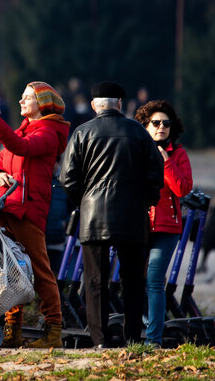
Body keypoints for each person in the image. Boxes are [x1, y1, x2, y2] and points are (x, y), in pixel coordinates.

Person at [59, 81, 164, 347]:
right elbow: (156, 173)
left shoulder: (82, 133)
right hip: (132, 215)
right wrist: (146, 201)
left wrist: (84, 202)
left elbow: (67, 179)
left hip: (94, 217)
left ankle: (99, 340)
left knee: (95, 281)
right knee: (132, 281)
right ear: (119, 104)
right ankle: (132, 338)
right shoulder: (138, 132)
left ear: (95, 106)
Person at [0, 81, 69, 348]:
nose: (21, 101)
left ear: (41, 104)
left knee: (40, 271)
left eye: (27, 97)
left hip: (28, 210)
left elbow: (22, 147)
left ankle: (53, 331)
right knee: (10, 271)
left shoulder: (49, 133)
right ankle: (12, 331)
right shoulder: (22, 129)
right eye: (21, 97)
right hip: (7, 207)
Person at [134, 100, 192, 348]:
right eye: (155, 123)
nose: (161, 128)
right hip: (137, 225)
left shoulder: (178, 154)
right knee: (134, 280)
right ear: (145, 126)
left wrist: (166, 160)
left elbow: (182, 188)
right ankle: (143, 326)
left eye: (165, 124)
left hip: (167, 229)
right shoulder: (135, 150)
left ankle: (153, 340)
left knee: (155, 281)